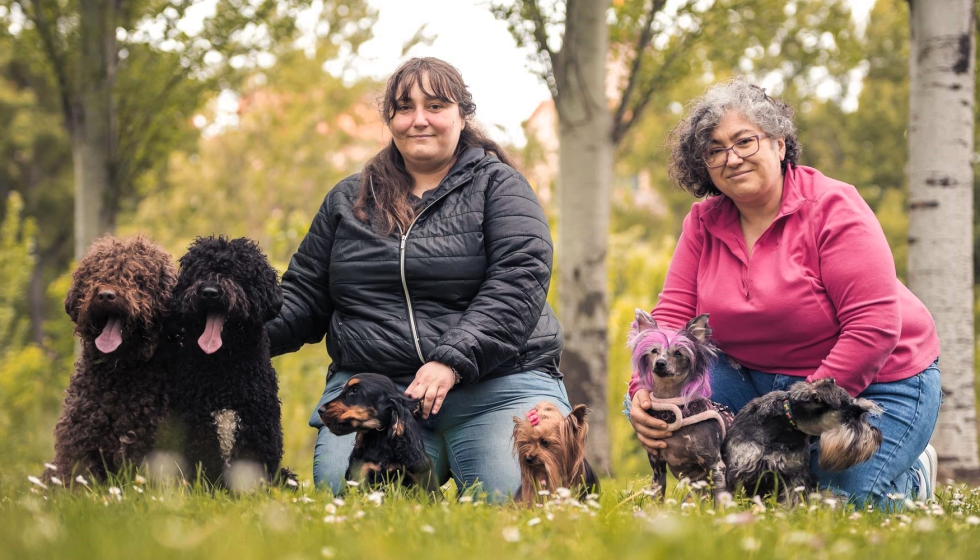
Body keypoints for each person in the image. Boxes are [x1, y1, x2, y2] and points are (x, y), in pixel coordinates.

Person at [626, 78, 941, 508]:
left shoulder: (833, 207)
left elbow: (874, 327)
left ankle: (911, 474)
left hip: (876, 381)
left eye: (744, 141)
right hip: (758, 386)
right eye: (714, 150)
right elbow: (670, 319)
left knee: (827, 508)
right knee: (746, 497)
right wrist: (640, 393)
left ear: (778, 143)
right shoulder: (702, 222)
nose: (731, 158)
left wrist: (800, 412)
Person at [265, 57, 568, 499]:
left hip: (498, 385)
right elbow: (302, 296)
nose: (419, 120)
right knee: (348, 499)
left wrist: (451, 361)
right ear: (390, 119)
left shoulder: (500, 187)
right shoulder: (347, 200)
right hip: (378, 395)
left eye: (436, 106)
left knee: (517, 501)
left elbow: (517, 284)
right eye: (404, 108)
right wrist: (232, 336)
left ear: (462, 116)